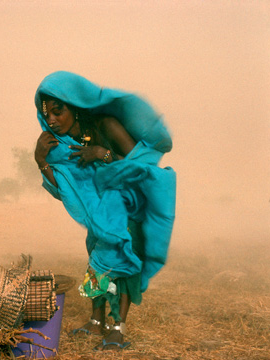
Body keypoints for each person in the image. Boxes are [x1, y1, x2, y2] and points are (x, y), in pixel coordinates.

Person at [33, 71, 176, 351]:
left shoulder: (106, 125)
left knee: (121, 264)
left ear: (73, 104)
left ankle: (117, 329)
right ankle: (96, 321)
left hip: (130, 206)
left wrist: (101, 154)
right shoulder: (56, 144)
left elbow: (141, 164)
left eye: (58, 111)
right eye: (46, 114)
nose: (51, 120)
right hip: (99, 214)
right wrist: (40, 160)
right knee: (96, 261)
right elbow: (65, 190)